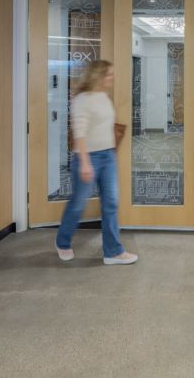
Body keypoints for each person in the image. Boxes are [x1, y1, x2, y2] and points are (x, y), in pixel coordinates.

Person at [55, 59, 138, 265]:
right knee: (78, 204)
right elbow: (80, 133)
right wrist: (84, 162)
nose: (112, 78)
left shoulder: (103, 96)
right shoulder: (82, 99)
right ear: (97, 76)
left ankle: (113, 252)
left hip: (107, 156)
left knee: (111, 202)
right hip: (88, 157)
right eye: (109, 74)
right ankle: (62, 242)